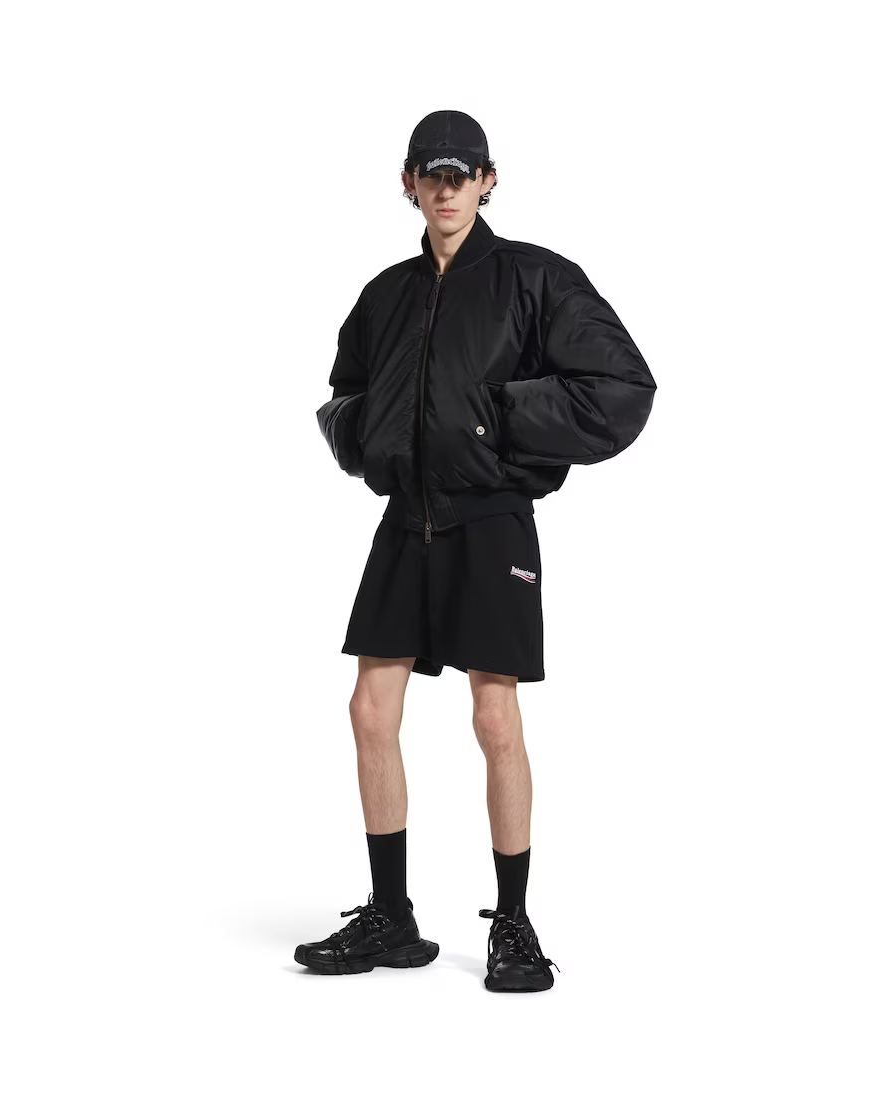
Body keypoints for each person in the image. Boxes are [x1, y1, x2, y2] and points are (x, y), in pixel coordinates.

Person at [298, 110, 656, 992]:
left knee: (495, 717)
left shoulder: (535, 278)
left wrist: (499, 419)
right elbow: (345, 393)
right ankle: (391, 916)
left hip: (492, 519)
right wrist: (371, 442)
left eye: (462, 175)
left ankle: (515, 924)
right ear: (409, 183)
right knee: (369, 710)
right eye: (432, 174)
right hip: (406, 520)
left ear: (489, 180)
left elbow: (622, 386)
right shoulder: (385, 294)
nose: (447, 189)